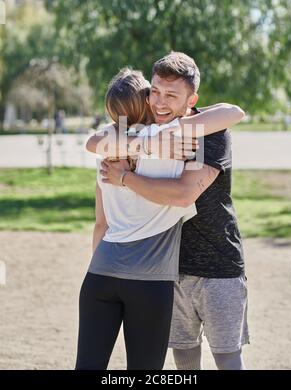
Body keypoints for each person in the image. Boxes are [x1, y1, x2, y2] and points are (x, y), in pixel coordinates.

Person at [93, 52, 249, 370]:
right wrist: (145, 144)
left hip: (218, 265)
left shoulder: (208, 132)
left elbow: (183, 195)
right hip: (168, 269)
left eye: (172, 95)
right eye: (155, 91)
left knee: (227, 358)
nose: (160, 102)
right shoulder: (142, 132)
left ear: (192, 99)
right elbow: (95, 140)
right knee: (184, 359)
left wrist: (125, 178)